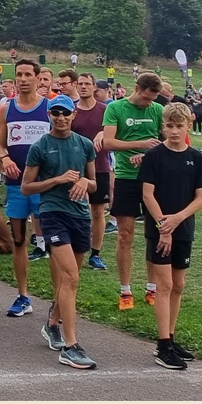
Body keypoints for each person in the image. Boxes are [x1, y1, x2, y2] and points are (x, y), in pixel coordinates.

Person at [22, 93, 98, 370]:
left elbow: (94, 183)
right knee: (71, 277)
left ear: (73, 115)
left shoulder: (85, 145)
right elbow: (26, 187)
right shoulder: (40, 146)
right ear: (49, 116)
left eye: (65, 113)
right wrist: (57, 180)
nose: (61, 118)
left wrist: (85, 184)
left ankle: (52, 323)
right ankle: (70, 346)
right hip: (53, 213)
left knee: (70, 280)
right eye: (55, 113)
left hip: (80, 215)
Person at [140, 103, 202, 370]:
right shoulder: (155, 156)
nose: (174, 131)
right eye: (169, 126)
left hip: (182, 227)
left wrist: (177, 219)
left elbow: (200, 198)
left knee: (178, 285)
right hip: (159, 228)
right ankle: (162, 344)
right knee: (165, 285)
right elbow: (148, 194)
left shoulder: (196, 157)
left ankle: (171, 336)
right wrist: (163, 225)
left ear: (188, 127)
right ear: (163, 127)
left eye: (179, 126)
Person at [103, 73, 166, 310]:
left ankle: (152, 288)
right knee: (125, 235)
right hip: (126, 178)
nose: (149, 103)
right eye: (147, 98)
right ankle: (125, 290)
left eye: (153, 99)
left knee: (155, 234)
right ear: (137, 88)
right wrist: (139, 145)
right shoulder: (116, 108)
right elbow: (109, 142)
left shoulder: (158, 109)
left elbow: (170, 140)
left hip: (153, 180)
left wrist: (149, 154)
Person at [0, 60, 51, 317]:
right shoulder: (7, 108)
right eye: (18, 74)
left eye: (28, 74)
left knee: (54, 240)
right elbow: (0, 145)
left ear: (38, 78)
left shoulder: (50, 108)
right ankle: (23, 296)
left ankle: (59, 299)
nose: (22, 79)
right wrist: (5, 158)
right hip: (15, 185)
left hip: (44, 186)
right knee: (19, 240)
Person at [70, 73, 113, 272]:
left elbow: (114, 132)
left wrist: (104, 132)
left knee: (98, 211)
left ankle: (95, 253)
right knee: (77, 209)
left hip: (100, 166)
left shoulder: (105, 110)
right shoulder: (71, 111)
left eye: (88, 84)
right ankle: (75, 247)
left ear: (95, 87)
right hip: (75, 168)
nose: (84, 87)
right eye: (81, 84)